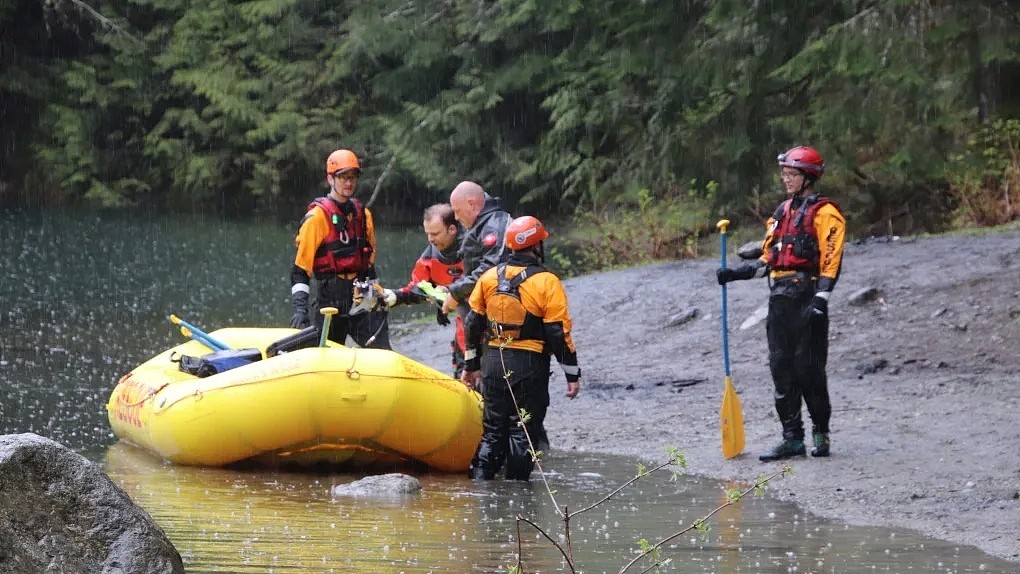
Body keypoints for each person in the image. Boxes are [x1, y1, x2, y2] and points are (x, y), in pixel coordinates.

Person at [716, 145, 846, 461]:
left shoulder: (826, 213)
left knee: (809, 369)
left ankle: (820, 433)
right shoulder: (781, 213)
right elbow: (768, 258)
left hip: (807, 295)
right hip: (780, 298)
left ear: (808, 177)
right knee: (781, 368)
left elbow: (832, 258)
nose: (786, 179)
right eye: (785, 174)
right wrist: (735, 274)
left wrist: (822, 298)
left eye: (792, 174)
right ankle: (792, 438)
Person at [461, 216, 582, 480]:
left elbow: (471, 325)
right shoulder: (547, 281)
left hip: (493, 362)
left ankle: (481, 486)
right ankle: (517, 499)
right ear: (537, 246)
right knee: (522, 431)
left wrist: (471, 366)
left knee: (493, 431)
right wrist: (572, 374)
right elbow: (557, 332)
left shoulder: (489, 277)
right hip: (529, 365)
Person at [289, 149, 394, 349]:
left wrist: (377, 296)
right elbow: (300, 271)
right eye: (343, 177)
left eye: (352, 177)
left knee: (381, 351)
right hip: (329, 301)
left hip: (361, 297)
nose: (348, 183)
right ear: (330, 179)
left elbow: (368, 264)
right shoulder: (317, 219)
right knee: (326, 359)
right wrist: (300, 310)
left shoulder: (363, 215)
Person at [391, 203, 467, 377]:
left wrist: (450, 292)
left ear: (452, 229)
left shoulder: (474, 248)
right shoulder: (430, 256)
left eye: (435, 234)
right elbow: (418, 287)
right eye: (427, 234)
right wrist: (393, 296)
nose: (430, 239)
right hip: (464, 331)